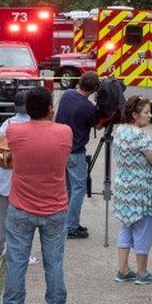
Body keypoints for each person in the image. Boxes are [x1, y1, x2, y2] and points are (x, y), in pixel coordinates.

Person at [0, 87, 74, 304]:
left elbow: (4, 156)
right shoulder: (64, 132)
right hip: (55, 208)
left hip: (21, 207)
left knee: (16, 264)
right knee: (54, 264)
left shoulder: (14, 131)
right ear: (50, 108)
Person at [113, 96, 152, 285]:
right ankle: (142, 272)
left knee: (126, 226)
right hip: (141, 191)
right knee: (144, 229)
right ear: (135, 115)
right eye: (146, 112)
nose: (150, 116)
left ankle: (123, 269)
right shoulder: (140, 135)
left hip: (123, 189)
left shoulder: (120, 131)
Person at [0, 91, 36, 265]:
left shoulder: (6, 124)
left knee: (0, 215)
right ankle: (22, 252)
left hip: (3, 176)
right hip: (23, 179)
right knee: (23, 219)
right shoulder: (32, 126)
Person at [55, 71, 99, 239]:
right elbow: (98, 126)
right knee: (78, 188)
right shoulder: (88, 108)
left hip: (60, 149)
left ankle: (64, 223)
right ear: (94, 88)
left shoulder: (67, 95)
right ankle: (72, 226)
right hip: (76, 152)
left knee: (66, 189)